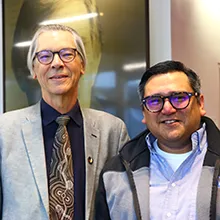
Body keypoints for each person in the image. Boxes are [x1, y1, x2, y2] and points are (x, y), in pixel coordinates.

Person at [0, 24, 129, 220]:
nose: (56, 63)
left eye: (67, 54)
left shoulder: (112, 131)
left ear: (83, 65)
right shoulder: (4, 130)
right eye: (45, 56)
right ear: (34, 70)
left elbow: (122, 206)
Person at [95, 60, 220, 220]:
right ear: (143, 113)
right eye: (155, 101)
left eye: (179, 98)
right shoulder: (115, 173)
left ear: (200, 103)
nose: (167, 109)